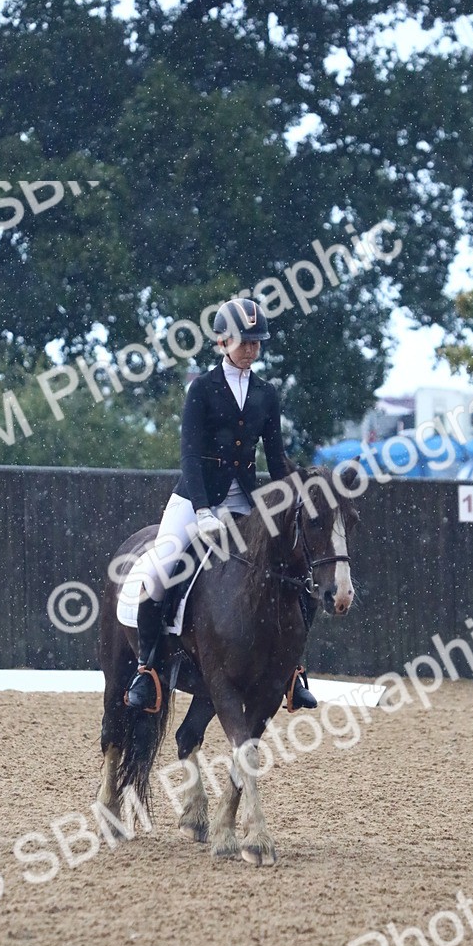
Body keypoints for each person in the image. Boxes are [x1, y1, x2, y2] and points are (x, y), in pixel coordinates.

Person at [125, 296, 317, 713]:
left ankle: (295, 670)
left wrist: (292, 500)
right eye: (243, 341)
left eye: (256, 342)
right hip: (195, 498)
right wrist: (203, 511)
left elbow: (275, 454)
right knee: (160, 572)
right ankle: (147, 668)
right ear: (222, 341)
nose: (251, 348)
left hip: (245, 501)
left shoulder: (267, 394)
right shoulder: (203, 389)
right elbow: (190, 456)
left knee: (295, 570)